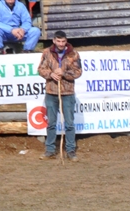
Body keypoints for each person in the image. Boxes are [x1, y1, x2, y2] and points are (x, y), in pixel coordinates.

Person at [37, 30, 82, 160]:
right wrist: (50, 74)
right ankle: (50, 150)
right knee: (51, 123)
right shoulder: (47, 53)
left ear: (66, 41)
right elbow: (41, 69)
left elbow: (78, 72)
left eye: (63, 41)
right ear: (54, 41)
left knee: (69, 123)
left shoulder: (73, 54)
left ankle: (70, 150)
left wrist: (64, 73)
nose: (61, 44)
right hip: (51, 92)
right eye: (58, 41)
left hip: (67, 92)